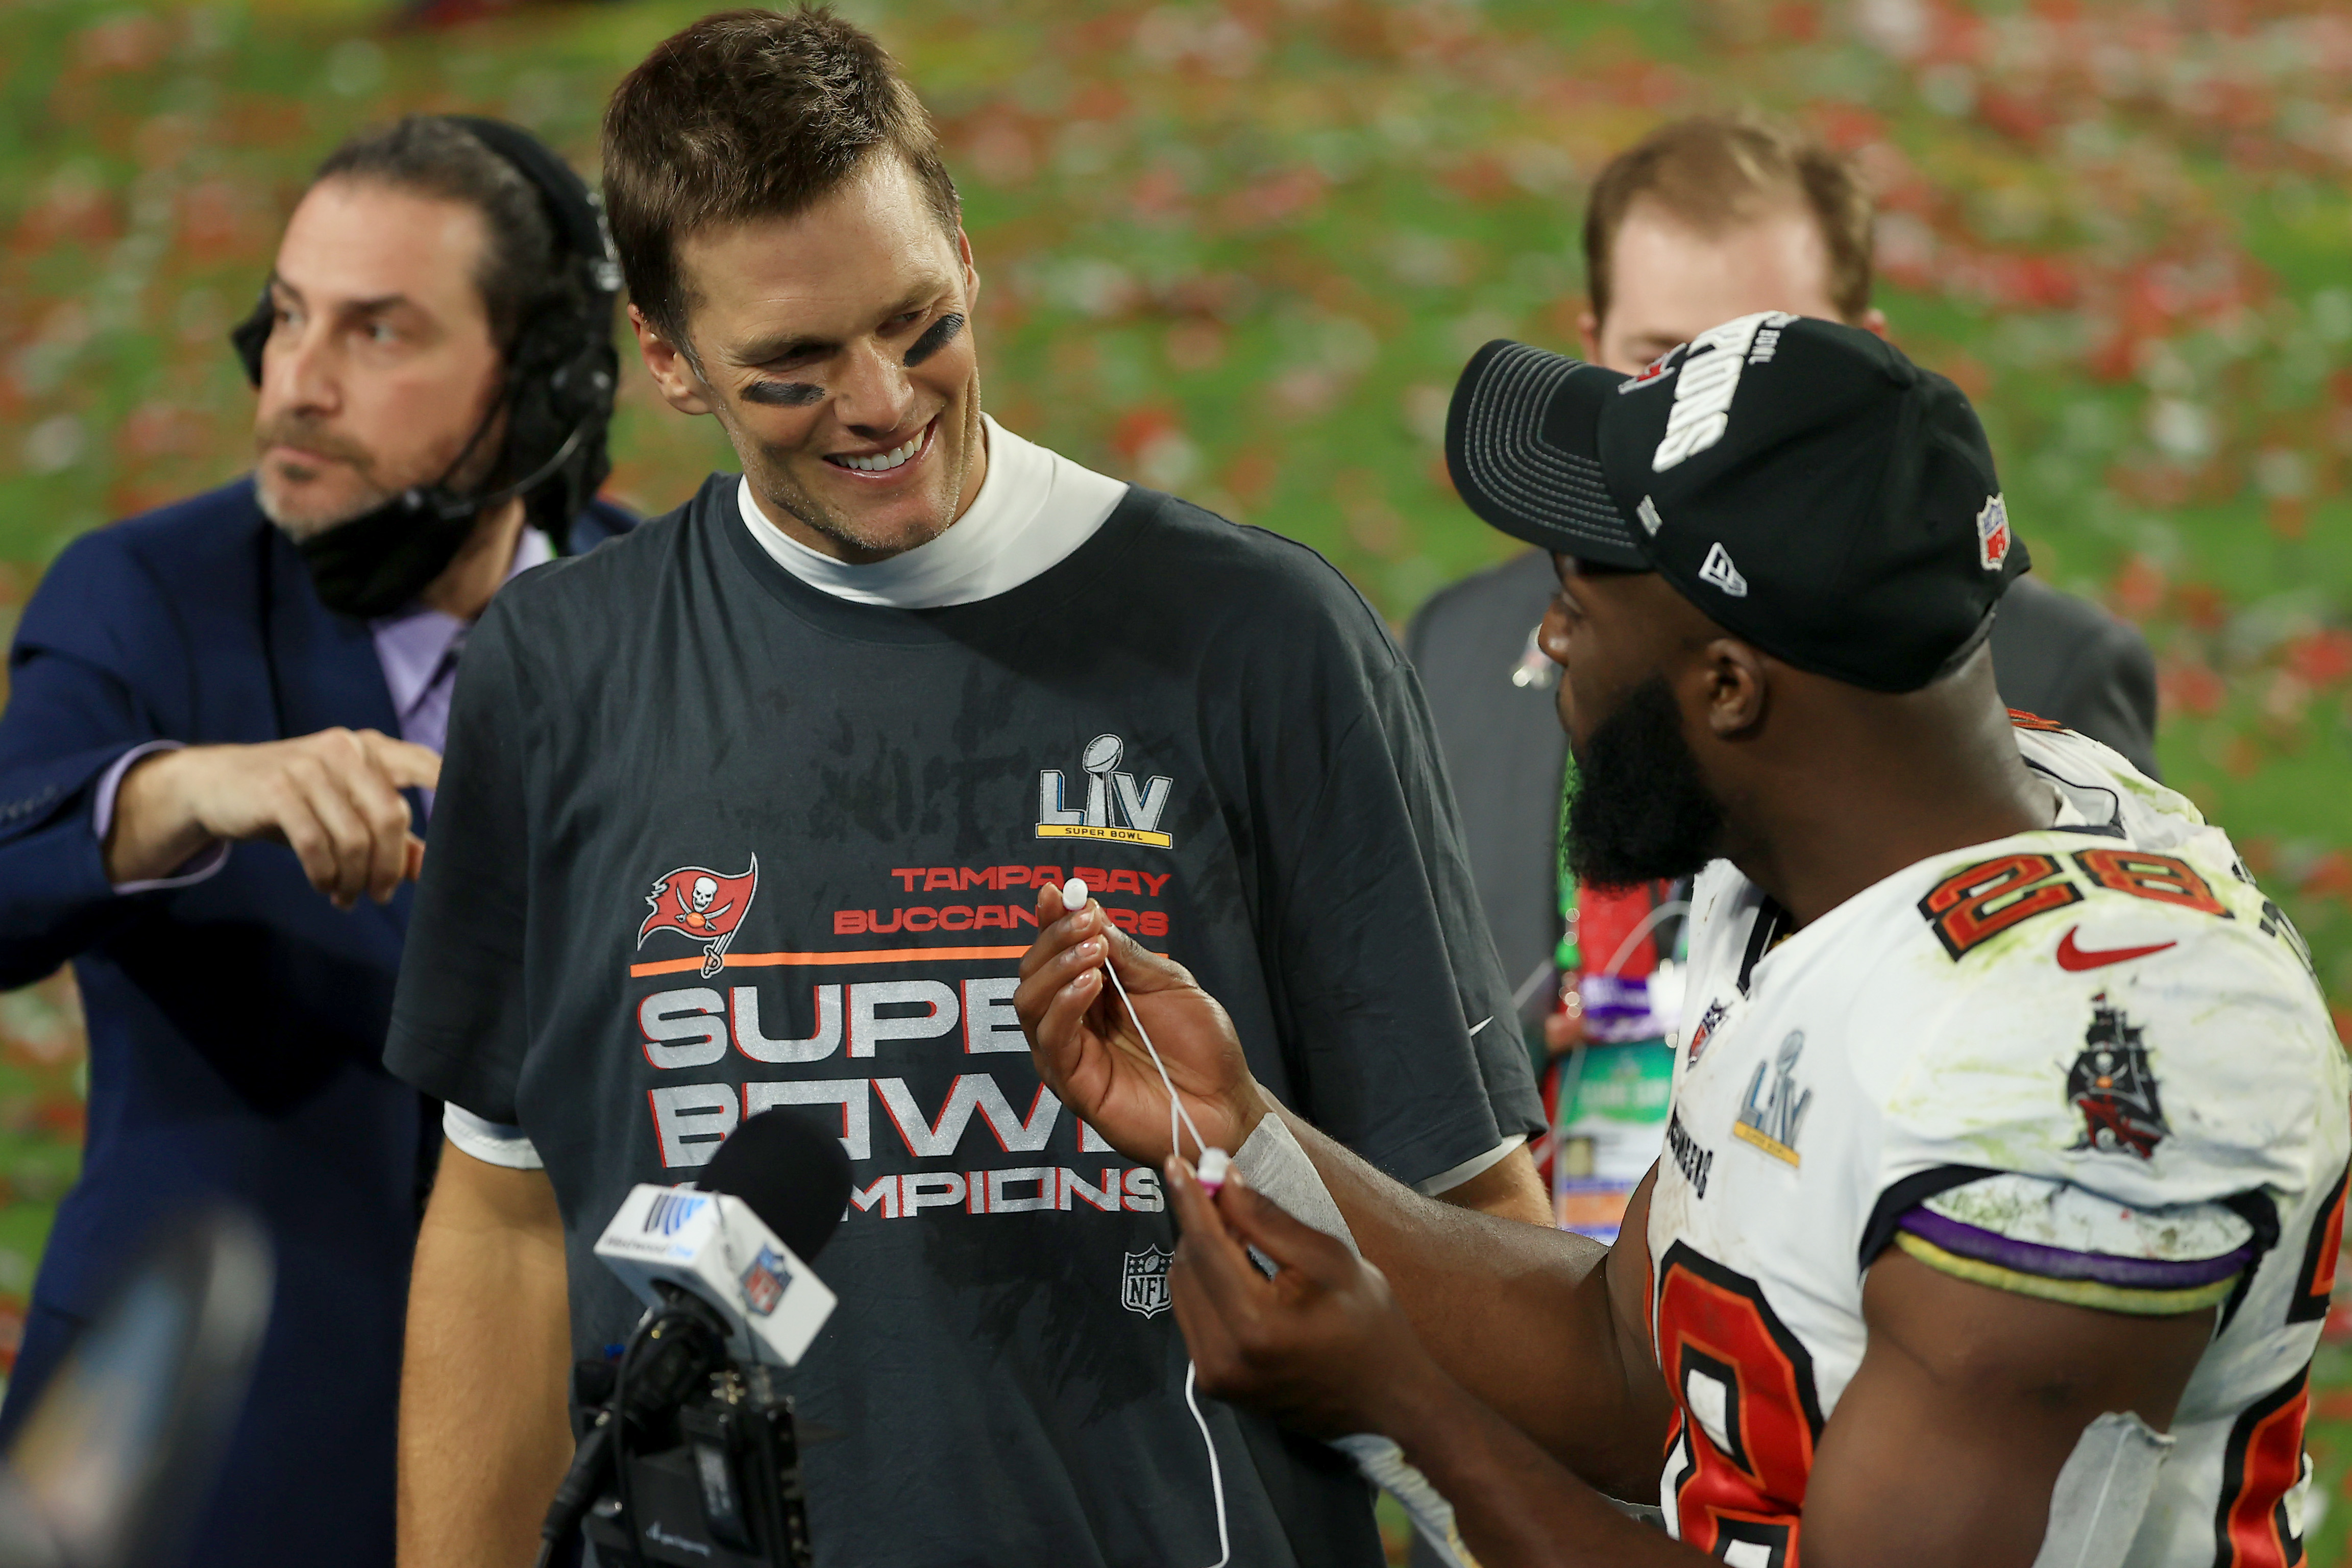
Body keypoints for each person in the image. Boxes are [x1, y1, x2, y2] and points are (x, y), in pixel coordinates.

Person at [385, 12, 1545, 1567]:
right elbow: (505, 1220)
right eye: (792, 366)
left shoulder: (1258, 642)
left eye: (917, 322)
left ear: (967, 254)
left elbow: (1469, 1206)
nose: (879, 404)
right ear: (664, 357)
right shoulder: (556, 674)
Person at [1017, 315, 2343, 1566]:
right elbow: (1627, 1357)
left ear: (1729, 686)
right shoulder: (1831, 854)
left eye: (1580, 604)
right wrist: (1244, 1128)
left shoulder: (2083, 1076)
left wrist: (1398, 1409)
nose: (1544, 643)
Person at [0, 116, 628, 1566]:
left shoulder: (667, 614)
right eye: (285, 318)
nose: (296, 381)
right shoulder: (146, 593)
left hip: (581, 1479)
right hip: (208, 1468)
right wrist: (176, 791)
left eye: (378, 332)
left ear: (540, 381)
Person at [1406, 117, 2161, 1228]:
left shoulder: (2033, 676)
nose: (1708, 413)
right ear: (1592, 339)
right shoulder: (1459, 641)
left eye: (1763, 352)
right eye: (1659, 360)